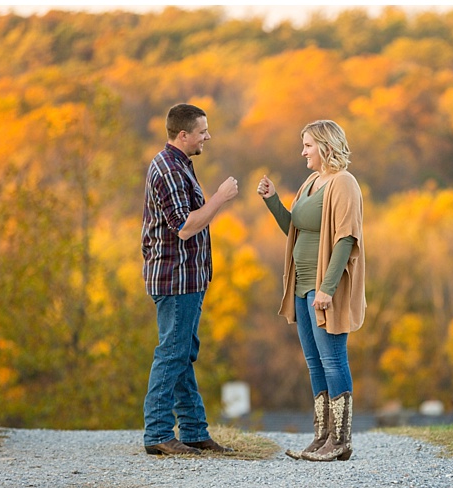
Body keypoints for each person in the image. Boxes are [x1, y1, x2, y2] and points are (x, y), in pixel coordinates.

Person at [257, 120, 366, 462]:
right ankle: (322, 437)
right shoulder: (311, 182)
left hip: (323, 290)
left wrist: (327, 289)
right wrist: (272, 201)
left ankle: (341, 441)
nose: (302, 151)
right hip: (302, 287)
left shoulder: (343, 183)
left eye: (307, 145)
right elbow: (294, 228)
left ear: (325, 146)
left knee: (333, 360)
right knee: (314, 362)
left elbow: (346, 239)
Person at [142, 103, 239, 456]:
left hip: (188, 277)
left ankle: (195, 430)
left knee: (183, 352)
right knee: (171, 354)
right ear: (183, 135)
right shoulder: (169, 169)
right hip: (175, 278)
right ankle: (157, 433)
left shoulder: (179, 164)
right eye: (202, 131)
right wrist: (220, 198)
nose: (207, 137)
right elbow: (185, 227)